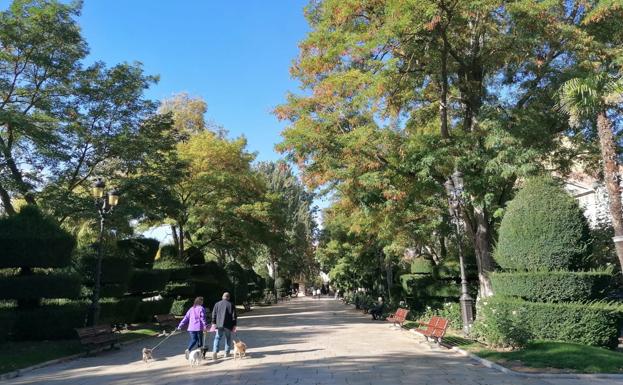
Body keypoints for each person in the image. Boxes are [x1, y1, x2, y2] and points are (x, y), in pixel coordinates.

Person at [211, 292, 237, 360]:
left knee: (217, 338)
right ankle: (226, 353)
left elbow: (214, 314)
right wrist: (234, 325)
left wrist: (213, 322)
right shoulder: (231, 304)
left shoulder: (217, 304)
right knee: (228, 338)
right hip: (228, 325)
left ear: (222, 297)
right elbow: (234, 316)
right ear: (228, 297)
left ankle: (215, 352)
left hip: (219, 324)